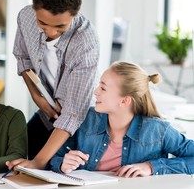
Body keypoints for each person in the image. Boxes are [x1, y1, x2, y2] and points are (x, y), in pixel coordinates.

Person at [10, 0, 100, 169]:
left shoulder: (86, 43)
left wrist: (38, 162)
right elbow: (23, 58)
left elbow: (74, 114)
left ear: (74, 15)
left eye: (60, 26)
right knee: (18, 155)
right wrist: (36, 96)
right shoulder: (25, 17)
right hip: (47, 113)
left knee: (56, 172)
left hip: (81, 125)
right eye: (42, 23)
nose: (50, 32)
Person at [50, 61, 194, 177]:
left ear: (125, 101)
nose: (95, 92)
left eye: (103, 88)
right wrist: (62, 164)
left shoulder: (157, 130)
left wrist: (152, 167)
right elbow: (54, 157)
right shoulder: (85, 119)